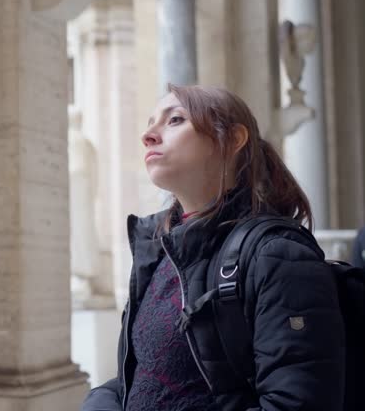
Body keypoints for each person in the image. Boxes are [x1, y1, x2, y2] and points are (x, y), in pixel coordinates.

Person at [81, 84, 345, 411]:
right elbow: (137, 379)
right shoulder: (159, 253)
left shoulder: (278, 255)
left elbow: (296, 403)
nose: (148, 135)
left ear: (232, 140)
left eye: (175, 120)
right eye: (150, 122)